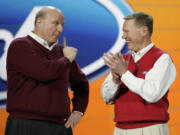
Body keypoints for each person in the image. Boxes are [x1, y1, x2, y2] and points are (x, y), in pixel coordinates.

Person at [5, 6, 89, 135]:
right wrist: (66, 60)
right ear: (39, 22)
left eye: (62, 25)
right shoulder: (20, 45)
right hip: (25, 125)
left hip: (60, 126)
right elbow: (44, 72)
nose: (61, 29)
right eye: (56, 23)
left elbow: (81, 83)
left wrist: (78, 110)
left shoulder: (62, 52)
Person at [101, 12, 176, 135]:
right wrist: (115, 80)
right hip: (120, 129)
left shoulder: (162, 59)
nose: (123, 36)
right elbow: (107, 99)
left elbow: (152, 94)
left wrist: (124, 74)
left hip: (150, 129)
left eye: (127, 31)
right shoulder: (122, 60)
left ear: (144, 31)